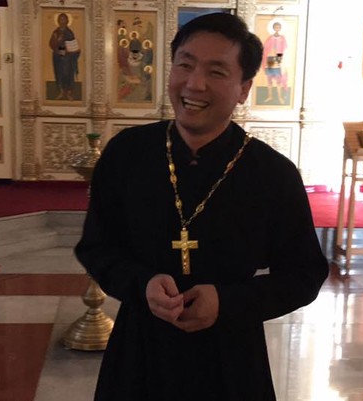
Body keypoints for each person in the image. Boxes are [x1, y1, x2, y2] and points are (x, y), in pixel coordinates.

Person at [75, 12, 328, 401]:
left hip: (232, 357)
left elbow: (305, 274)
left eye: (216, 71)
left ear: (244, 88)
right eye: (185, 65)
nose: (194, 84)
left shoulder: (272, 173)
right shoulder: (127, 154)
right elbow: (96, 247)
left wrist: (227, 302)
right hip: (139, 352)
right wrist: (141, 284)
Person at [48, 12, 80, 100]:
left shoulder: (69, 32)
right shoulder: (56, 32)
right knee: (59, 73)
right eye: (61, 19)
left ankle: (68, 92)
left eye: (64, 19)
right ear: (58, 21)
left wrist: (75, 50)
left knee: (67, 74)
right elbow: (51, 43)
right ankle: (61, 91)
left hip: (68, 58)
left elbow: (72, 43)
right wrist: (57, 41)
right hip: (58, 57)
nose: (62, 21)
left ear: (67, 21)